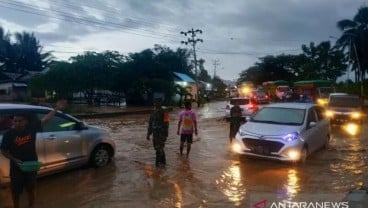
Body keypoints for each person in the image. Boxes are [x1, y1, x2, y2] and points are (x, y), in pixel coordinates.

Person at [0, 100, 67, 208]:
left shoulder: (31, 128)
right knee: (16, 191)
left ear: (26, 122)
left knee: (31, 189)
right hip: (16, 167)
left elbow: (46, 119)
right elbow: (3, 151)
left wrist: (56, 108)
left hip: (31, 165)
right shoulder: (9, 134)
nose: (17, 123)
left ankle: (31, 206)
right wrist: (14, 159)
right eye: (15, 121)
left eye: (20, 121)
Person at [147, 98, 169, 167]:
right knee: (157, 148)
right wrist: (148, 133)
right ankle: (163, 162)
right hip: (155, 133)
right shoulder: (153, 112)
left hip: (162, 133)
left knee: (159, 148)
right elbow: (150, 123)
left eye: (157, 102)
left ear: (160, 103)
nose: (155, 104)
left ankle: (157, 164)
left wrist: (165, 133)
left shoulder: (165, 111)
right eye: (155, 102)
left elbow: (167, 123)